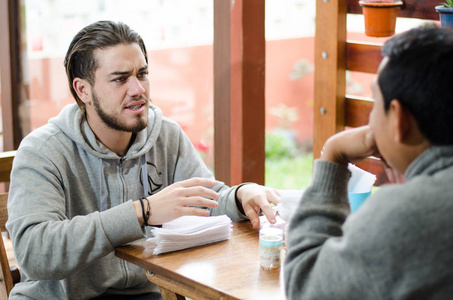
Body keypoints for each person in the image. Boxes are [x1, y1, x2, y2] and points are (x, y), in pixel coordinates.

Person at [6, 20, 279, 299]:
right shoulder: (43, 150)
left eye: (143, 73)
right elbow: (34, 252)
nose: (138, 89)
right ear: (83, 90)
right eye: (120, 78)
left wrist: (239, 196)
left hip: (147, 293)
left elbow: (204, 199)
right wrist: (142, 211)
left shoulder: (165, 135)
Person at [284, 24, 453, 299]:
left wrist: (333, 155)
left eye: (375, 102)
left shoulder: (405, 214)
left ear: (399, 119)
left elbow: (305, 285)